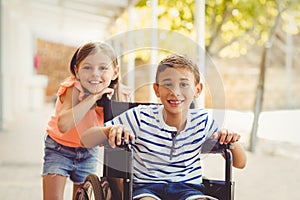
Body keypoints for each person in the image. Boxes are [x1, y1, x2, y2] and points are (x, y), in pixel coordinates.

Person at [81, 53, 247, 200]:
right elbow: (86, 140)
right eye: (167, 84)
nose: (175, 92)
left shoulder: (203, 122)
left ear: (198, 90)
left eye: (184, 84)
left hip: (189, 189)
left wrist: (231, 142)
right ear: (157, 89)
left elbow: (240, 163)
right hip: (146, 188)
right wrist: (109, 130)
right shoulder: (140, 117)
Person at [42, 41, 133, 200]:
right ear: (77, 71)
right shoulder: (73, 88)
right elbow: (63, 125)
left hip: (88, 151)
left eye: (103, 68)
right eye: (87, 67)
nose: (95, 74)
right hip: (59, 147)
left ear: (115, 72)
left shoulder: (121, 95)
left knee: (82, 195)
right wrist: (93, 98)